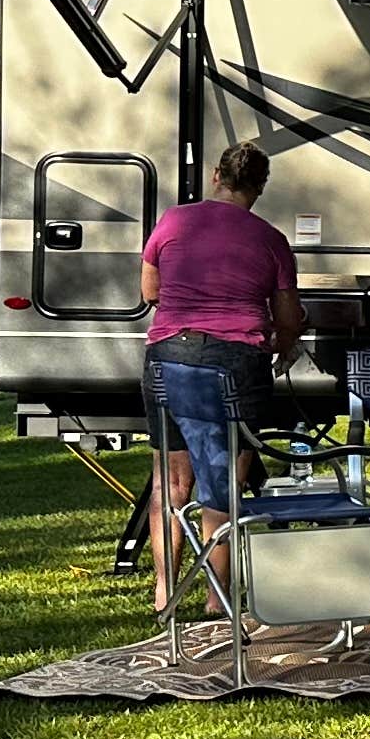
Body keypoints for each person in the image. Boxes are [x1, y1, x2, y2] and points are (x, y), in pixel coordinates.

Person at [140, 145, 306, 628]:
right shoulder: (271, 240)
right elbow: (288, 317)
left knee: (170, 481)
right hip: (236, 361)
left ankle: (165, 591)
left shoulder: (173, 221)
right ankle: (218, 599)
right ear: (260, 186)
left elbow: (150, 292)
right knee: (225, 481)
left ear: (216, 176)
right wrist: (285, 340)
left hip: (168, 356)